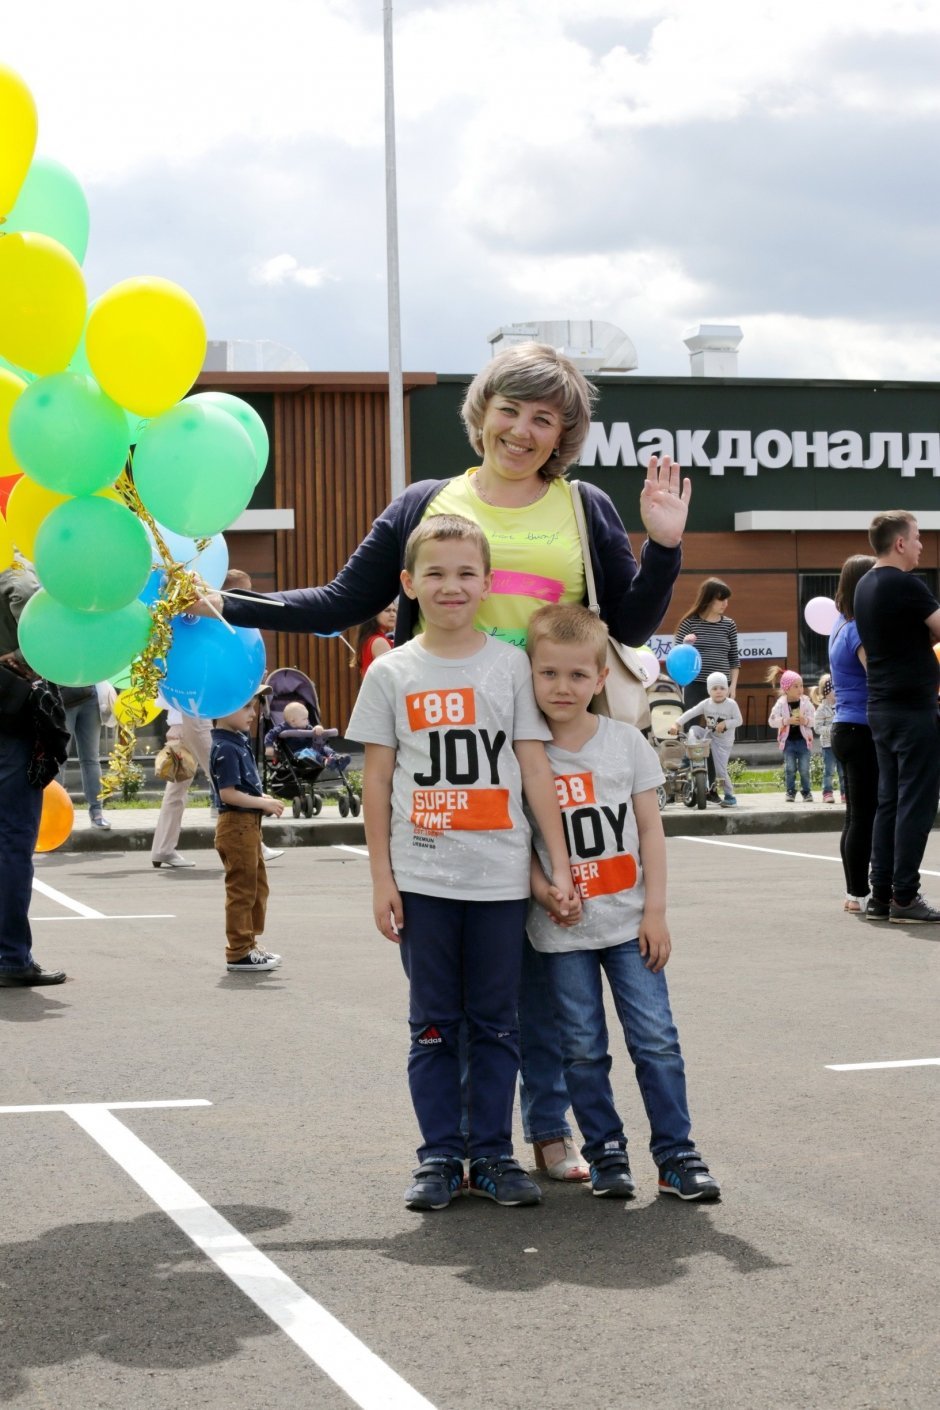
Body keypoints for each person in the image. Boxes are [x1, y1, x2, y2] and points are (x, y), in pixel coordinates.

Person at [209, 341, 691, 1179]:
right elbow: (340, 603)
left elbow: (634, 623)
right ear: (484, 411)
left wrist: (665, 545)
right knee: (478, 974)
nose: (523, 428)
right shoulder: (427, 504)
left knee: (557, 944)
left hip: (552, 756)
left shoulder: (584, 508)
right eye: (511, 408)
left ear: (564, 432)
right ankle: (469, 1145)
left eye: (545, 417)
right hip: (451, 762)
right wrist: (225, 602)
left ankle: (546, 1132)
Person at [347, 515, 578, 1211]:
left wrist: (559, 864)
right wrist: (381, 878)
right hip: (423, 880)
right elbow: (379, 782)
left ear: (487, 584)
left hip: (501, 879)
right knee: (434, 1024)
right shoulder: (391, 671)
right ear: (409, 583)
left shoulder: (510, 667)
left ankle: (494, 1155)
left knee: (497, 1022)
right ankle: (440, 1156)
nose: (451, 586)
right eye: (437, 573)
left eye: (466, 573)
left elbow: (534, 768)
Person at [525, 604, 720, 1200]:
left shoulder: (625, 745)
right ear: (529, 673)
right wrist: (544, 891)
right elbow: (516, 845)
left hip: (630, 924)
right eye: (549, 673)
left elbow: (652, 831)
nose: (563, 687)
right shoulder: (522, 754)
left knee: (656, 1040)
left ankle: (677, 1153)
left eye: (578, 675)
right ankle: (605, 1150)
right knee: (582, 1049)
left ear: (602, 678)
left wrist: (655, 911)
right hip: (561, 935)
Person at [152, 568, 284, 868]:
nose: (248, 598)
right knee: (225, 777)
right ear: (230, 591)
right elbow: (194, 668)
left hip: (190, 711)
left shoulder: (204, 621)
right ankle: (256, 844)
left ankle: (163, 848)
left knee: (179, 781)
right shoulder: (209, 620)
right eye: (244, 592)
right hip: (196, 711)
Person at [853, 512, 940, 923]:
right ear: (900, 543)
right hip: (912, 710)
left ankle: (881, 894)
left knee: (888, 802)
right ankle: (906, 895)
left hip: (881, 708)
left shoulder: (864, 585)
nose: (922, 545)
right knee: (916, 803)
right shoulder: (907, 585)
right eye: (918, 537)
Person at [0, 558, 69, 987]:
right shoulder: (16, 571)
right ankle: (10, 958)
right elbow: (24, 592)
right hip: (9, 726)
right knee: (11, 842)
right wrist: (34, 655)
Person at [211, 689, 286, 972]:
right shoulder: (226, 747)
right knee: (242, 889)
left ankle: (250, 944)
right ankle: (239, 950)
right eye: (245, 707)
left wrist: (262, 800)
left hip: (247, 825)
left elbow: (244, 786)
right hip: (237, 824)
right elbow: (228, 794)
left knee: (257, 886)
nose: (253, 713)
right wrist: (262, 802)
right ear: (223, 708)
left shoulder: (235, 740)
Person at [828, 554, 878, 914]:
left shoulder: (839, 624)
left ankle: (854, 891)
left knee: (855, 815)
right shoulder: (859, 627)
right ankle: (858, 892)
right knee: (864, 815)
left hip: (846, 727)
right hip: (861, 728)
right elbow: (874, 670)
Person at [672, 578, 738, 793]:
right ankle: (692, 780)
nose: (725, 604)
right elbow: (677, 654)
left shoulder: (729, 624)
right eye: (721, 599)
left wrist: (733, 686)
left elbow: (733, 659)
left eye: (727, 599)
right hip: (695, 684)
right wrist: (686, 643)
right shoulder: (689, 623)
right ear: (709, 599)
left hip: (721, 687)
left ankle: (712, 787)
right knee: (692, 730)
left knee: (715, 735)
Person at [669, 670, 742, 807]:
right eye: (714, 688)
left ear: (727, 689)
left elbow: (739, 720)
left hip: (723, 743)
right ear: (709, 690)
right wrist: (677, 723)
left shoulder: (731, 704)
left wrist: (726, 723)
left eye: (722, 688)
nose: (719, 691)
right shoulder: (706, 703)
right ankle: (689, 755)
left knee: (720, 770)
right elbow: (691, 712)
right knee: (694, 729)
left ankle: (729, 796)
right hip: (709, 736)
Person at [60, 684, 110, 830]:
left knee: (91, 759)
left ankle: (97, 812)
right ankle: (53, 812)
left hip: (89, 695)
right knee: (59, 759)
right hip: (63, 697)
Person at [767, 667, 815, 802]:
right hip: (788, 742)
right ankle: (790, 791)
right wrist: (786, 721)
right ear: (786, 688)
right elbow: (771, 721)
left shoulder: (806, 702)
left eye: (801, 685)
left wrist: (805, 721)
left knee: (804, 769)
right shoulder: (781, 704)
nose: (800, 689)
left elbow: (814, 721)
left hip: (804, 741)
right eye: (796, 686)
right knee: (790, 768)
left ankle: (806, 792)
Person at [264, 701, 351, 769]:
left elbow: (314, 731)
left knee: (325, 748)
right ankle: (326, 761)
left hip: (312, 749)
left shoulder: (306, 726)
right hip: (297, 755)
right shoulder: (282, 727)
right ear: (293, 721)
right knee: (309, 752)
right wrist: (269, 746)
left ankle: (336, 758)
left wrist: (317, 728)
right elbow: (270, 734)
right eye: (304, 719)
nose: (307, 721)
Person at [810, 675, 844, 805]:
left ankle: (844, 793)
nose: (837, 692)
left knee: (843, 771)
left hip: (841, 744)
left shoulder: (841, 706)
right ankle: (827, 793)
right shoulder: (821, 709)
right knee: (829, 770)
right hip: (828, 745)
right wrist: (832, 729)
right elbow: (817, 728)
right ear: (827, 692)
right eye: (834, 689)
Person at [354, 603, 397, 678]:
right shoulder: (379, 641)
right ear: (375, 613)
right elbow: (391, 677)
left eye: (394, 611)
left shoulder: (368, 639)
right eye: (387, 611)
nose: (393, 614)